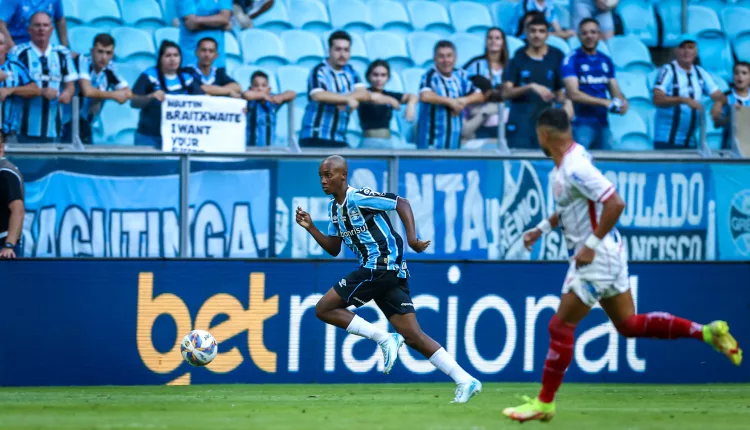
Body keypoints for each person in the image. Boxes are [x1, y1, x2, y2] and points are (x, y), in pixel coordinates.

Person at [502, 108, 742, 423]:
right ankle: (707, 333)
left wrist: (589, 246)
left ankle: (544, 403)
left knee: (559, 326)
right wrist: (542, 229)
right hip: (608, 252)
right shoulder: (569, 162)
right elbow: (571, 206)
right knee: (628, 325)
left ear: (544, 135)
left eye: (538, 135)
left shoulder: (576, 168)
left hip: (597, 257)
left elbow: (615, 202)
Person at [295, 155, 482, 403]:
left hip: (380, 265)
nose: (323, 180)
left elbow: (401, 203)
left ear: (343, 175)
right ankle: (465, 380)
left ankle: (384, 338)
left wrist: (413, 238)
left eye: (328, 175)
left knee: (324, 308)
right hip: (385, 273)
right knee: (414, 336)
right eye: (320, 175)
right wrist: (310, 227)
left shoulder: (358, 197)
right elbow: (333, 248)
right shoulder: (333, 209)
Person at [503, 14, 570, 149]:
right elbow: (505, 93)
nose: (536, 35)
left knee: (545, 164)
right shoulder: (518, 57)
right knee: (520, 163)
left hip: (546, 121)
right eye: (533, 31)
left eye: (541, 31)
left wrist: (566, 103)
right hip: (520, 120)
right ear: (526, 33)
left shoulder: (556, 56)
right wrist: (530, 87)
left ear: (547, 34)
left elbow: (560, 90)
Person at [8, 11, 76, 144]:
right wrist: (40, 92)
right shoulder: (18, 53)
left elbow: (70, 85)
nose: (41, 29)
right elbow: (10, 88)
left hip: (53, 128)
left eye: (45, 25)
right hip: (21, 129)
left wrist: (67, 94)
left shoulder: (62, 53)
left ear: (51, 29)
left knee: (49, 164)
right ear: (29, 29)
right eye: (37, 25)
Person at [561, 18, 627, 150]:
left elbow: (614, 89)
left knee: (607, 164)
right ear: (579, 36)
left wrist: (622, 101)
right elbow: (573, 94)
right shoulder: (571, 59)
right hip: (581, 123)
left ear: (600, 35)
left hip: (603, 122)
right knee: (579, 163)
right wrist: (603, 102)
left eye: (593, 32)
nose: (589, 36)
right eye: (584, 33)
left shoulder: (605, 60)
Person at [652, 34, 725, 149]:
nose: (686, 51)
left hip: (690, 141)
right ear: (676, 51)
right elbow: (657, 99)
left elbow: (719, 95)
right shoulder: (668, 70)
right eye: (682, 47)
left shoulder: (700, 72)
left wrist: (718, 103)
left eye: (690, 47)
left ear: (696, 52)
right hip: (667, 140)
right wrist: (683, 100)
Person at [300, 31, 369, 148]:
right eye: (338, 49)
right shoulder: (319, 70)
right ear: (329, 50)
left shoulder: (351, 71)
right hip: (316, 136)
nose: (342, 54)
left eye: (346, 50)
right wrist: (347, 100)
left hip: (339, 136)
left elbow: (364, 93)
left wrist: (346, 99)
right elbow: (318, 95)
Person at [131, 41, 204, 149]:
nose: (172, 59)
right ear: (161, 58)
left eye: (176, 55)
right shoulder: (149, 75)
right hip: (148, 136)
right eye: (168, 55)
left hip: (177, 138)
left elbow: (204, 101)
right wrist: (151, 97)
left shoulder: (187, 78)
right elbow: (134, 102)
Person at [63, 33, 131, 143]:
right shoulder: (82, 61)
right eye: (100, 51)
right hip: (66, 123)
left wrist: (101, 96)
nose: (104, 57)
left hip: (86, 124)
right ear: (92, 51)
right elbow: (87, 91)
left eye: (108, 53)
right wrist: (112, 95)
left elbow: (128, 93)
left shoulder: (110, 68)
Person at [417, 40, 485, 149]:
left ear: (455, 58)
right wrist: (451, 102)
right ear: (435, 59)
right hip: (430, 146)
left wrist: (463, 101)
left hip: (454, 145)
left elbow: (480, 95)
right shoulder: (430, 76)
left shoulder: (461, 75)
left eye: (449, 56)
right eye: (441, 56)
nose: (446, 60)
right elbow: (425, 95)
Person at [461, 27, 509, 140]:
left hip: (503, 109)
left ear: (503, 42)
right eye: (490, 38)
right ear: (486, 42)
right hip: (476, 109)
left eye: (497, 38)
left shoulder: (510, 66)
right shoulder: (475, 64)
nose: (493, 41)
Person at [357, 59, 417, 149]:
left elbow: (412, 96)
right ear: (368, 76)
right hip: (368, 141)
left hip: (387, 141)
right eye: (375, 75)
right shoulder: (363, 93)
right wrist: (390, 100)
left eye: (383, 75)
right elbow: (372, 97)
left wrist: (411, 105)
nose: (379, 79)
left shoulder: (389, 94)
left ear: (388, 78)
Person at [0, 31, 39, 138]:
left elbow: (35, 89)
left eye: (0, 43)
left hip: (10, 131)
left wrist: (11, 90)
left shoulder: (16, 67)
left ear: (7, 49)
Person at [243, 70, 295, 147]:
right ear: (250, 88)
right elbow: (246, 94)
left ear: (269, 89)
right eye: (256, 85)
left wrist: (281, 97)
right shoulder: (248, 102)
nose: (260, 88)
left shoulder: (272, 102)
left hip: (270, 150)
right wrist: (263, 95)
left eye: (264, 86)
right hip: (250, 150)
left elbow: (292, 93)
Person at [177, 0, 232, 69]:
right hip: (191, 59)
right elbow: (191, 24)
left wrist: (197, 20)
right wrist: (219, 22)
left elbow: (225, 18)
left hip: (217, 62)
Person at [0, 0, 69, 49]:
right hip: (17, 43)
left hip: (40, 46)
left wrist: (65, 48)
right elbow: (1, 23)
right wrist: (14, 49)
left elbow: (59, 19)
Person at [714, 62, 750, 149]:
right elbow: (717, 123)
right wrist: (731, 116)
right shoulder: (725, 97)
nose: (740, 76)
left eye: (744, 73)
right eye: (736, 73)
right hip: (730, 147)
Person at [0, 130, 24, 258]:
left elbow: (18, 210)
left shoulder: (6, 173)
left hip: (3, 248)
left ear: (1, 147)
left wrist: (9, 245)